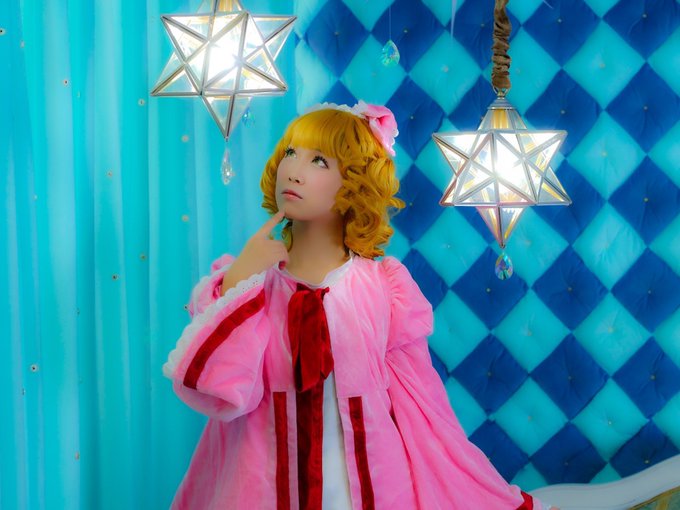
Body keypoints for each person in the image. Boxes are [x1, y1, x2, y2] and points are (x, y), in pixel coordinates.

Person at [163, 102, 555, 509]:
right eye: (290, 154)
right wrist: (240, 279)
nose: (293, 171)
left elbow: (421, 406)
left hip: (371, 490)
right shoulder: (247, 288)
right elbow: (216, 389)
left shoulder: (384, 290)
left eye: (319, 161)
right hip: (261, 488)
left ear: (354, 184)